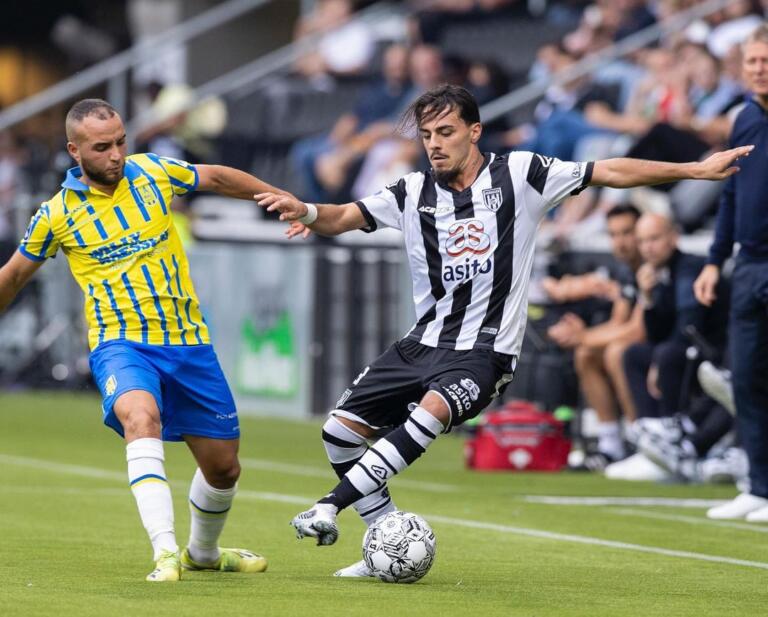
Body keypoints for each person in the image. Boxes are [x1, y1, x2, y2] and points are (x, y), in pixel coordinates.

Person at [255, 84, 752, 578]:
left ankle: (328, 506)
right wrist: (309, 212)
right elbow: (343, 217)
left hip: (485, 352)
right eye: (427, 134)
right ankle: (387, 535)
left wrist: (693, 169)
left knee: (430, 411)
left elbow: (610, 171)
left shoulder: (521, 174)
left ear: (474, 132)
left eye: (446, 131)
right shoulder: (410, 191)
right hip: (421, 342)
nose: (434, 143)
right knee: (338, 431)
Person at [0, 99, 284, 582]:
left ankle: (203, 553)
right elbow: (12, 277)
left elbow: (214, 177)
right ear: (74, 151)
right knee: (140, 417)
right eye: (102, 147)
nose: (116, 154)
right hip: (121, 344)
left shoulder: (153, 172)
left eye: (120, 142)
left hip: (189, 343)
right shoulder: (55, 215)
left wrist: (281, 197)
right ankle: (165, 551)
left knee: (224, 470)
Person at [695, 24, 768, 522]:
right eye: (752, 63)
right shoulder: (744, 118)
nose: (759, 70)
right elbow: (728, 193)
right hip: (748, 265)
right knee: (745, 378)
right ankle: (759, 486)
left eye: (765, 61)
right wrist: (714, 260)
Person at [547, 204, 645, 469]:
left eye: (627, 233)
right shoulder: (627, 270)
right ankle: (610, 444)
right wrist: (583, 338)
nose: (621, 242)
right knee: (587, 354)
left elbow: (637, 330)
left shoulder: (651, 267)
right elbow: (618, 322)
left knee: (616, 353)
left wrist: (583, 336)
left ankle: (644, 443)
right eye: (614, 235)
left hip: (667, 347)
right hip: (645, 346)